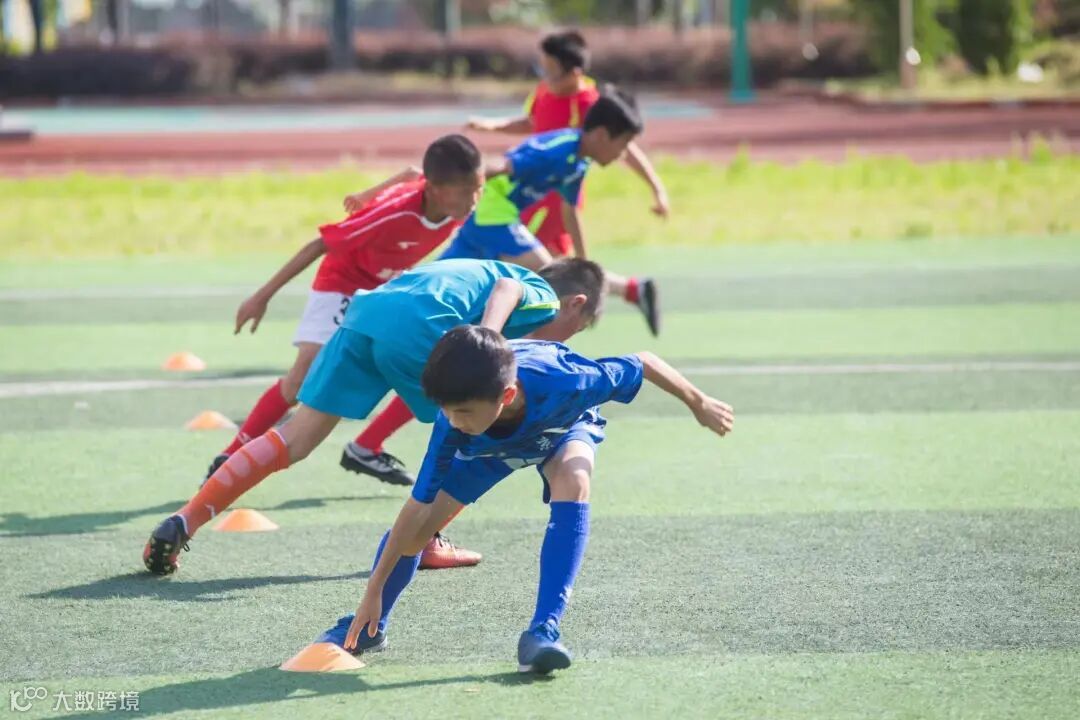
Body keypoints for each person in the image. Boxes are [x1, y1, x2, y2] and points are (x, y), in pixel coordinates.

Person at [143, 258, 607, 576]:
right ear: (576, 304)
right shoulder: (541, 294)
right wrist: (488, 339)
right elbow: (508, 290)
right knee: (479, 427)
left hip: (366, 315)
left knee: (296, 437)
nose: (568, 340)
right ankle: (428, 539)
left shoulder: (475, 268)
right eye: (578, 329)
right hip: (421, 325)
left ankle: (185, 520)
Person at [316, 326, 735, 674]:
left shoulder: (568, 379)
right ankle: (369, 628)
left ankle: (542, 632)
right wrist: (372, 590)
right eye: (447, 410)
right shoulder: (455, 425)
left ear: (506, 395)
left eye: (463, 411)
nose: (453, 420)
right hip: (487, 450)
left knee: (574, 478)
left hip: (561, 431)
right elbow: (415, 507)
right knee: (419, 531)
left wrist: (699, 403)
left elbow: (643, 361)